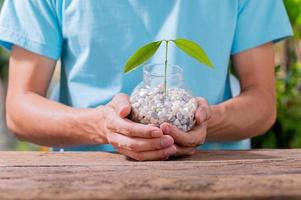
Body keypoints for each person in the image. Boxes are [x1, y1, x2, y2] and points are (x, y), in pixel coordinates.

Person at [0, 0, 292, 161]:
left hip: (215, 174)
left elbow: (263, 103)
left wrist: (208, 120)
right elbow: (20, 109)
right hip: (88, 177)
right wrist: (103, 126)